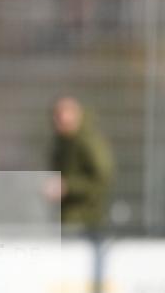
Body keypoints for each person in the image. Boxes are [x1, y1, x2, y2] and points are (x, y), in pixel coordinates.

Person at [44, 97, 114, 232]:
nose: (57, 120)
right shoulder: (62, 142)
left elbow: (102, 179)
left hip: (87, 221)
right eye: (56, 115)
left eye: (61, 115)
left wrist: (67, 186)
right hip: (67, 219)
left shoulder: (88, 142)